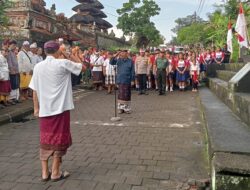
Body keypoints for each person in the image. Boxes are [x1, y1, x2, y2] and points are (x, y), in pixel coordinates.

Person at [29, 41, 85, 182]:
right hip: (60, 109)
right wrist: (70, 54)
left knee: (45, 140)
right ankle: (55, 172)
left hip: (45, 109)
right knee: (59, 140)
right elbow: (82, 67)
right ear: (57, 51)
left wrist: (36, 108)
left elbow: (34, 90)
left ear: (45, 50)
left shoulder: (38, 66)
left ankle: (44, 172)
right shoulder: (62, 63)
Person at [110, 50, 135, 114]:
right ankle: (121, 109)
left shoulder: (130, 61)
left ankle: (127, 109)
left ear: (127, 54)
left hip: (127, 79)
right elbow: (111, 62)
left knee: (127, 94)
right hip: (120, 80)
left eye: (124, 52)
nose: (122, 54)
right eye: (121, 52)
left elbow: (132, 71)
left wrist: (132, 80)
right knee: (120, 95)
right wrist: (116, 54)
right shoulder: (118, 60)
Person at [7, 40, 20, 104]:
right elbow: (9, 63)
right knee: (12, 85)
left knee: (15, 85)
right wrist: (12, 70)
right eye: (13, 45)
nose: (15, 47)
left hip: (15, 71)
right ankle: (11, 99)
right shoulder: (9, 52)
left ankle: (14, 98)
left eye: (15, 45)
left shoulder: (13, 52)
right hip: (12, 72)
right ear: (10, 45)